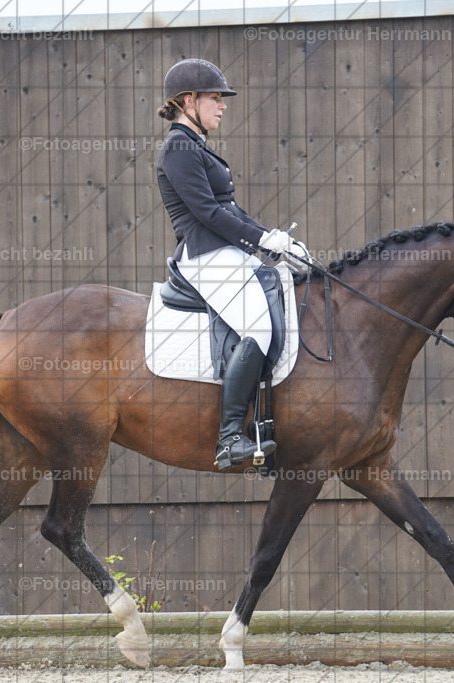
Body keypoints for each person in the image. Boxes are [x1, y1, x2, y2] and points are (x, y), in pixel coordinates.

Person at [156, 58, 304, 470]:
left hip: (225, 251)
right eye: (215, 99)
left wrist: (278, 242)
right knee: (258, 325)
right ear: (188, 101)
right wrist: (261, 240)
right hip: (204, 256)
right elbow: (207, 213)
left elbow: (231, 210)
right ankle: (229, 438)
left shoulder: (198, 147)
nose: (222, 107)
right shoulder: (178, 148)